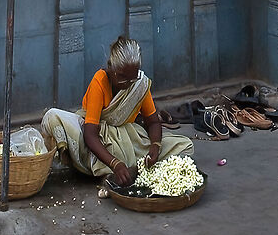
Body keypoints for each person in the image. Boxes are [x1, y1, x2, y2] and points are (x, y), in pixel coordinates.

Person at [41, 36, 195, 186]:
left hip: (128, 139)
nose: (127, 84)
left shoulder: (140, 84)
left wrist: (155, 145)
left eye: (132, 79)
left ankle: (127, 171)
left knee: (185, 146)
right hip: (96, 138)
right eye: (122, 77)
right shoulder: (99, 81)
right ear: (111, 67)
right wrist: (115, 163)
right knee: (53, 116)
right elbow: (90, 134)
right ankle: (120, 169)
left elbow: (153, 122)